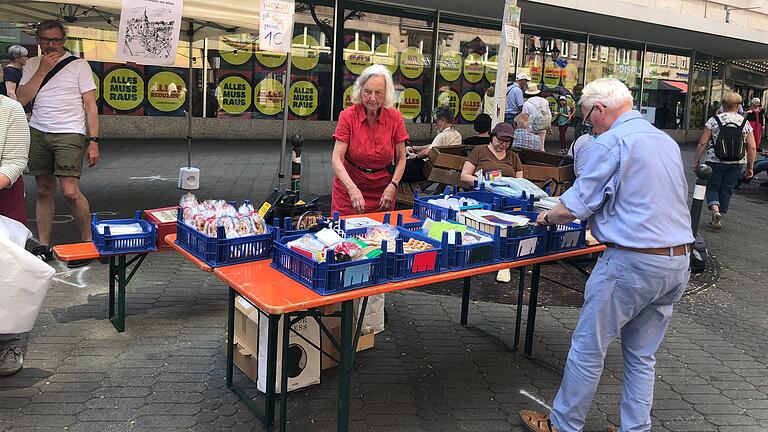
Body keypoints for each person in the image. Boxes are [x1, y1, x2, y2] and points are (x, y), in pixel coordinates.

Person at [519, 77, 695, 432]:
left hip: (632, 262)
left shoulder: (612, 142)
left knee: (588, 347)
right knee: (642, 356)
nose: (589, 124)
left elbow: (577, 205)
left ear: (600, 109)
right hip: (677, 260)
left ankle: (564, 424)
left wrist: (547, 215)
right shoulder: (663, 140)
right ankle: (635, 428)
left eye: (587, 116)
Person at [16, 20, 99, 267]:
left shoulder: (79, 64)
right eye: (46, 40)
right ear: (38, 40)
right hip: (39, 130)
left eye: (57, 40)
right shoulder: (31, 64)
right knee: (43, 189)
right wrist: (41, 70)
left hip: (70, 132)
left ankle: (87, 242)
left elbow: (90, 104)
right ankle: (44, 244)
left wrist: (93, 140)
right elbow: (21, 99)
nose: (52, 46)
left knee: (71, 191)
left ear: (64, 40)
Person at [331, 63, 407, 215]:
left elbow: (401, 158)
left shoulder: (395, 118)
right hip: (349, 190)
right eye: (367, 92)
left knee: (381, 236)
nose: (372, 98)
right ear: (360, 91)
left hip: (383, 192)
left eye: (378, 92)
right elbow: (336, 159)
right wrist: (352, 189)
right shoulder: (347, 116)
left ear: (386, 93)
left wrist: (393, 185)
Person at [460, 122, 524, 284]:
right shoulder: (479, 151)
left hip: (507, 199)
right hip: (483, 196)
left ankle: (503, 261)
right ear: (492, 137)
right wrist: (482, 183)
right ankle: (487, 257)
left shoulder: (514, 157)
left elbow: (520, 182)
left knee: (512, 218)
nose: (503, 145)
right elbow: (464, 176)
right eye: (501, 140)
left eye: (507, 142)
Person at [692, 92, 756, 231]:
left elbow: (703, 142)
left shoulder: (714, 120)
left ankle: (715, 210)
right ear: (738, 105)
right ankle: (719, 213)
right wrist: (750, 167)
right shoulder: (744, 123)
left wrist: (696, 161)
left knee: (713, 186)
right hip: (737, 162)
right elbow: (752, 146)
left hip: (714, 160)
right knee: (727, 188)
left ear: (723, 104)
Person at [0, 93, 31, 376]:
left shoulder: (9, 110)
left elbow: (15, 161)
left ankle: (7, 342)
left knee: (4, 275)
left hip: (2, 201)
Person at [402, 106, 461, 182]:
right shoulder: (457, 135)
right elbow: (432, 146)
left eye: (435, 121)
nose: (434, 124)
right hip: (443, 168)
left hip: (429, 171)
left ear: (443, 120)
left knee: (399, 166)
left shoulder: (442, 136)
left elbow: (427, 152)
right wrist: (415, 148)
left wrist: (415, 156)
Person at [522, 83, 552, 151]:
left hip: (531, 127)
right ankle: (541, 156)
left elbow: (524, 117)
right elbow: (548, 114)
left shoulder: (526, 103)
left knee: (531, 146)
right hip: (543, 125)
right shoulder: (544, 101)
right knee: (541, 146)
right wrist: (549, 127)